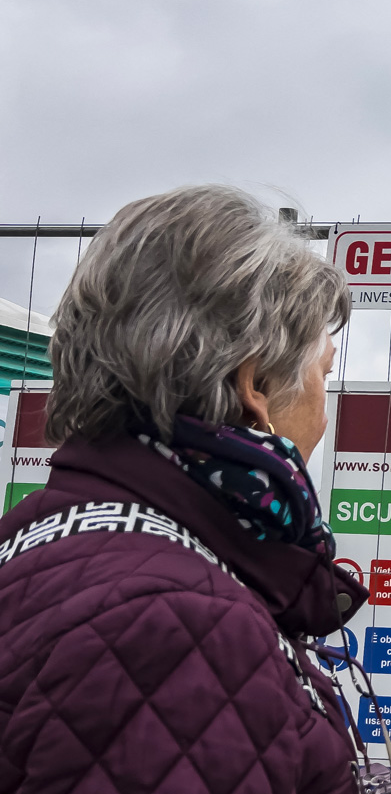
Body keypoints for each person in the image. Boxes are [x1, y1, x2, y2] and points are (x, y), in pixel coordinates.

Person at [0, 186, 367, 792]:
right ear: (256, 384)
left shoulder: (39, 531)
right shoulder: (180, 622)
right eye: (323, 373)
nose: (324, 413)